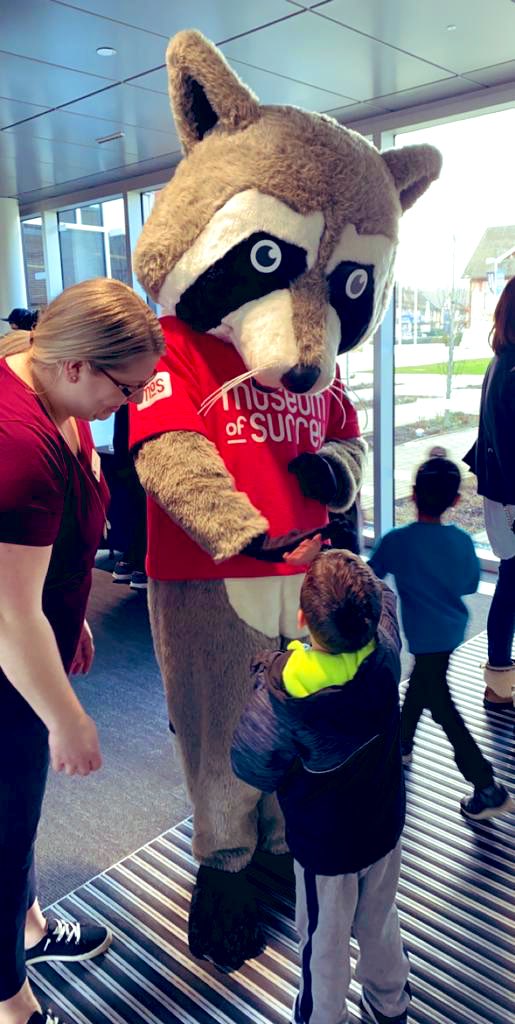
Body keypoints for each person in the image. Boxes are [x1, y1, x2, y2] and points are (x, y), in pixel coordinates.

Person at [0, 277, 164, 1024]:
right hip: (7, 664)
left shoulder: (48, 386)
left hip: (32, 636)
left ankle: (27, 927)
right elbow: (8, 615)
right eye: (124, 389)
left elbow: (47, 557)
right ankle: (13, 1002)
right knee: (3, 827)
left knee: (21, 809)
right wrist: (68, 719)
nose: (127, 406)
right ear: (77, 366)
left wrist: (75, 618)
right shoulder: (21, 448)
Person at [232, 549, 411, 1024]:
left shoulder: (284, 697)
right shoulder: (387, 651)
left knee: (324, 942)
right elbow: (385, 597)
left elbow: (250, 766)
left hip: (326, 848)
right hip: (384, 825)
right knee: (380, 918)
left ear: (300, 618)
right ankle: (390, 1003)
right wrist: (346, 567)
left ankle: (321, 1017)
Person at [368, 450, 514, 822]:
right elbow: (468, 584)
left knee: (443, 709)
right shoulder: (463, 542)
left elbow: (371, 576)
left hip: (422, 636)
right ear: (456, 501)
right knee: (421, 685)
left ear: (413, 495)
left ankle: (487, 786)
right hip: (449, 632)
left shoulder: (396, 541)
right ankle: (400, 743)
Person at [463, 276, 515, 709]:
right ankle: (499, 681)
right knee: (511, 582)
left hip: (502, 494)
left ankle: (500, 678)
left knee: (511, 581)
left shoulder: (502, 361)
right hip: (511, 496)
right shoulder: (512, 369)